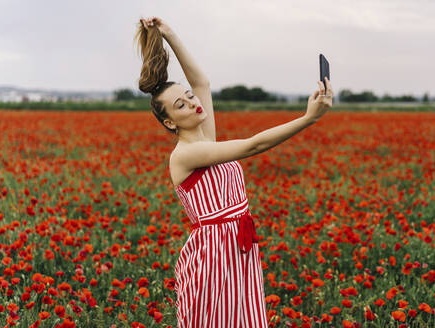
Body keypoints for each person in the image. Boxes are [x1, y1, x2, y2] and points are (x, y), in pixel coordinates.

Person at [134, 16, 333, 328]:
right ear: (170, 123)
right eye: (182, 106)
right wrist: (308, 119)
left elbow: (202, 84)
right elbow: (252, 146)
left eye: (188, 97)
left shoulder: (206, 138)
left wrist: (169, 34)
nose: (193, 103)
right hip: (212, 256)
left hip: (237, 248)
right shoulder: (185, 156)